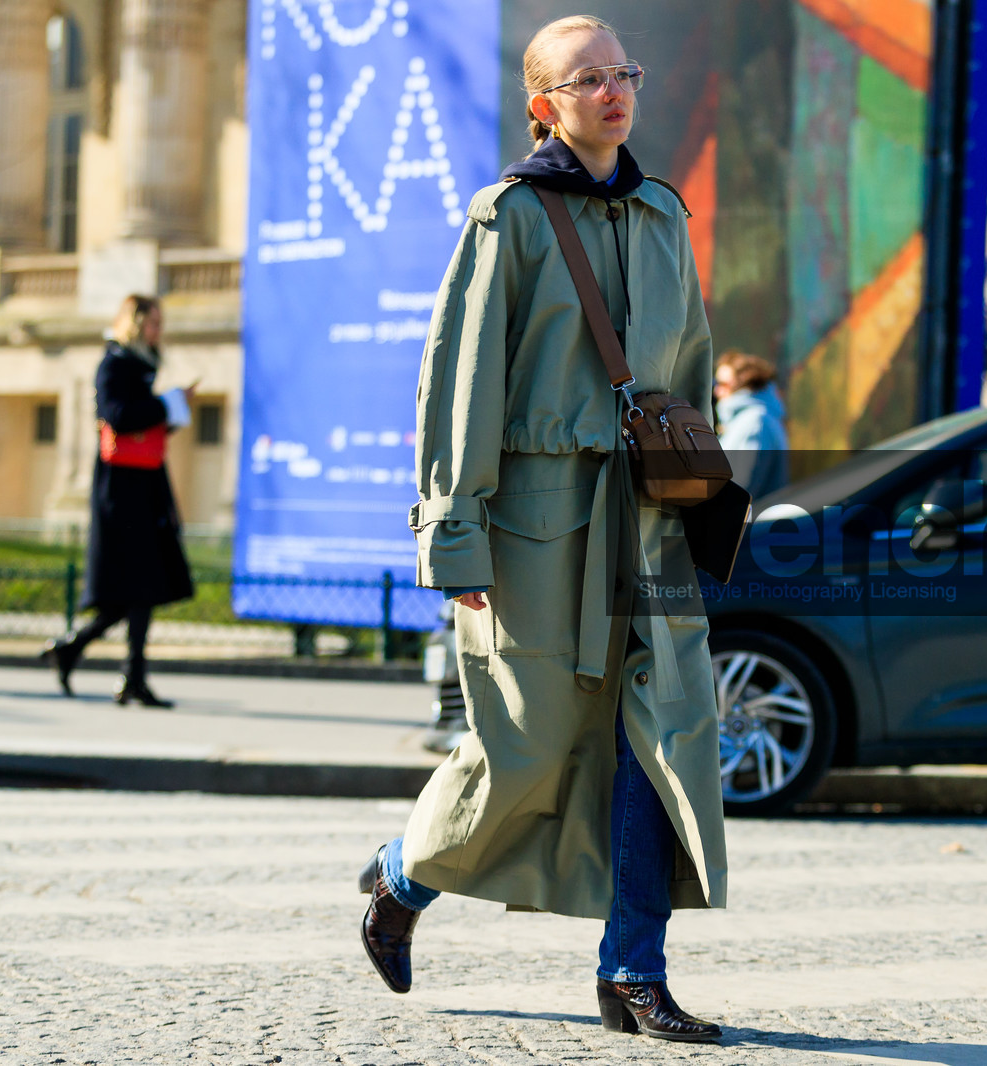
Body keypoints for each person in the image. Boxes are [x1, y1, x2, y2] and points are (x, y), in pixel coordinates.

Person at [357, 16, 726, 1044]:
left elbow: (687, 375)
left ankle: (632, 972)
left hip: (645, 525)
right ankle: (400, 876)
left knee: (661, 743)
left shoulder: (662, 213)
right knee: (524, 748)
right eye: (587, 78)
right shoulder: (506, 217)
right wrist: (453, 531)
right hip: (535, 525)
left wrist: (702, 505)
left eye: (623, 73)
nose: (613, 91)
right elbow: (460, 380)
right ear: (544, 104)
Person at [41, 295, 195, 709]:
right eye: (154, 323)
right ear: (136, 323)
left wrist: (170, 412)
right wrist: (165, 404)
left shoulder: (142, 367)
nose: (159, 331)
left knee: (140, 588)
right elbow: (118, 416)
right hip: (122, 493)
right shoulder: (114, 364)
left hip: (144, 486)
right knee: (137, 587)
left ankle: (83, 653)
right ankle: (128, 674)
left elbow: (141, 427)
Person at [713, 350, 789, 499]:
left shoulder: (756, 422)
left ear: (743, 382)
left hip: (751, 520)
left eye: (722, 384)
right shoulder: (752, 419)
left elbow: (741, 490)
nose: (716, 391)